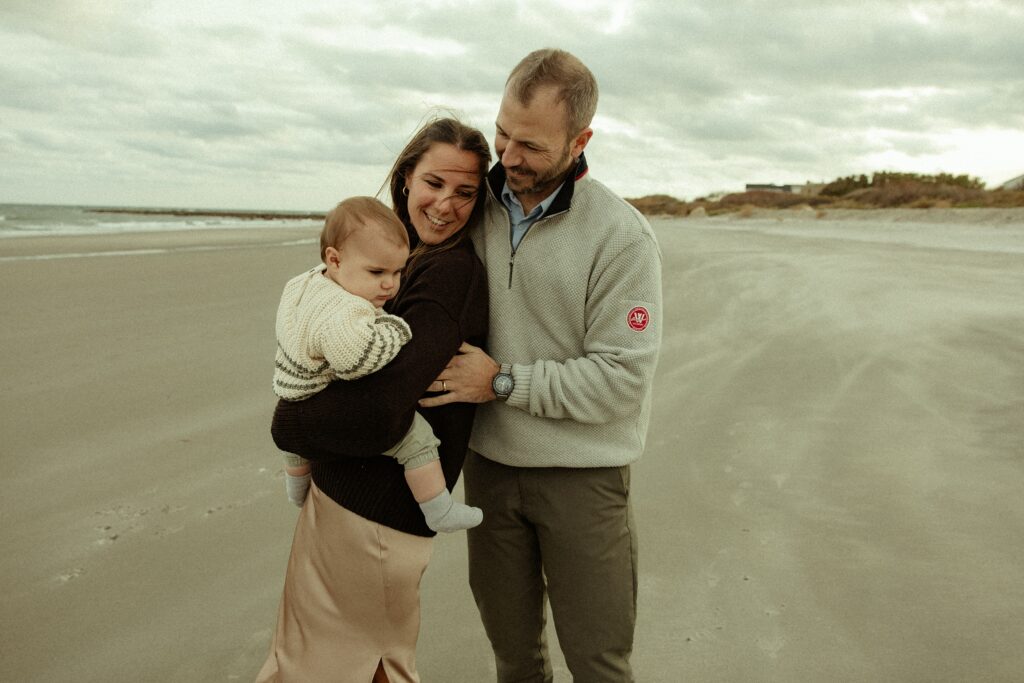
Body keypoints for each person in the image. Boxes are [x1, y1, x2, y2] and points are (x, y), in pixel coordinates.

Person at [418, 49, 663, 682]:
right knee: (513, 658)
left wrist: (501, 381)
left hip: (583, 478)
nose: (509, 155)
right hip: (490, 469)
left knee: (599, 662)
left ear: (581, 139)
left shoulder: (622, 238)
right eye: (502, 132)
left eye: (530, 144)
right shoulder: (477, 204)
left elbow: (622, 380)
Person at [256, 117, 491, 683]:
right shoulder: (397, 261)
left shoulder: (448, 275)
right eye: (435, 183)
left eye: (465, 192)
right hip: (341, 500)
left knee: (369, 666)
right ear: (406, 178)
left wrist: (289, 425)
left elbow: (381, 411)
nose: (445, 205)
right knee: (310, 662)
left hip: (381, 519)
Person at [272, 195, 482, 533]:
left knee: (295, 448)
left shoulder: (306, 283)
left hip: (291, 386)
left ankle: (297, 491)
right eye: (377, 272)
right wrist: (393, 328)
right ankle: (437, 507)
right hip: (320, 391)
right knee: (416, 438)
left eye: (398, 272)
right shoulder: (347, 310)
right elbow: (356, 360)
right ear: (335, 259)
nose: (390, 284)